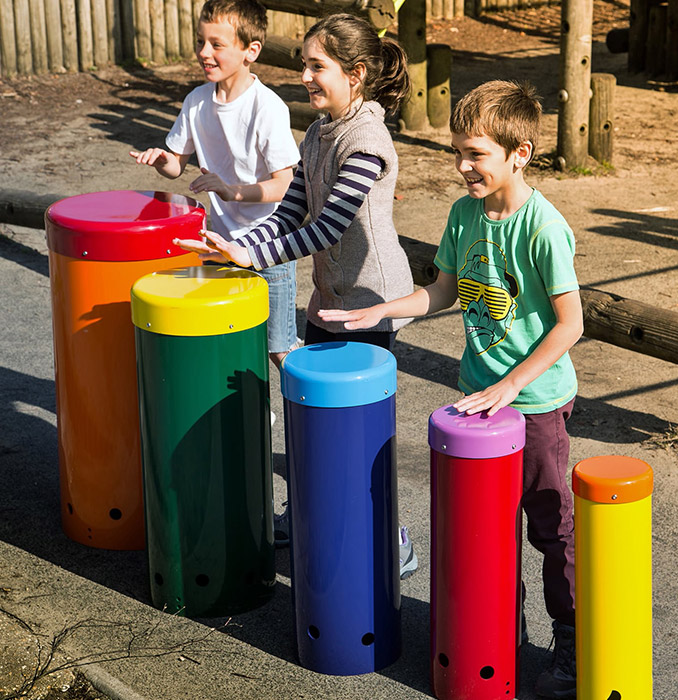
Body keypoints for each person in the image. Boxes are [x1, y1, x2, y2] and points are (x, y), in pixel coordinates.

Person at [318, 80, 583, 697]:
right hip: (477, 402)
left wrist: (511, 387)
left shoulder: (543, 227)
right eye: (458, 152)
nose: (463, 166)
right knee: (488, 533)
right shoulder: (465, 214)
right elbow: (443, 290)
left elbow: (570, 323)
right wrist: (379, 311)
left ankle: (570, 639)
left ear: (520, 152)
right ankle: (501, 639)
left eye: (477, 154)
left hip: (536, 405)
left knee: (549, 527)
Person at [173, 13, 418, 578]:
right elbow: (289, 212)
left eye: (317, 67)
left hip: (371, 307)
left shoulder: (367, 141)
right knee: (313, 420)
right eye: (303, 64)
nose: (305, 76)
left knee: (358, 436)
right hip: (329, 299)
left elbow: (327, 227)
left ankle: (392, 535)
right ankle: (308, 511)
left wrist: (252, 256)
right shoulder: (318, 131)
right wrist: (240, 243)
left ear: (355, 74)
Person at [129, 0, 301, 369]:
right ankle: (248, 422)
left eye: (217, 45)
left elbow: (284, 185)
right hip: (217, 246)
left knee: (280, 349)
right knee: (226, 342)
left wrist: (232, 190)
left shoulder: (267, 107)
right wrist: (164, 161)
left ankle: (313, 416)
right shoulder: (195, 102)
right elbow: (177, 165)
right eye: (200, 42)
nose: (204, 53)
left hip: (267, 247)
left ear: (250, 51)